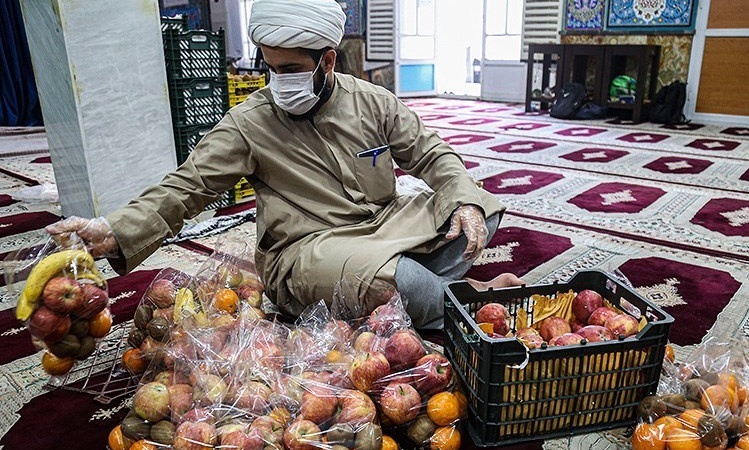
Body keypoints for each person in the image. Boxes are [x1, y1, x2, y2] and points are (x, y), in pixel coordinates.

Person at [46, 0, 523, 329]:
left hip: (383, 224)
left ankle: (431, 294)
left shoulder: (372, 101)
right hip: (309, 251)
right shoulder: (249, 123)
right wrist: (115, 230)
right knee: (396, 281)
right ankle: (467, 300)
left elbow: (432, 154)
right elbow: (186, 186)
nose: (278, 82)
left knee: (478, 208)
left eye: (290, 70)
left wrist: (462, 202)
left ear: (328, 61)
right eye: (270, 69)